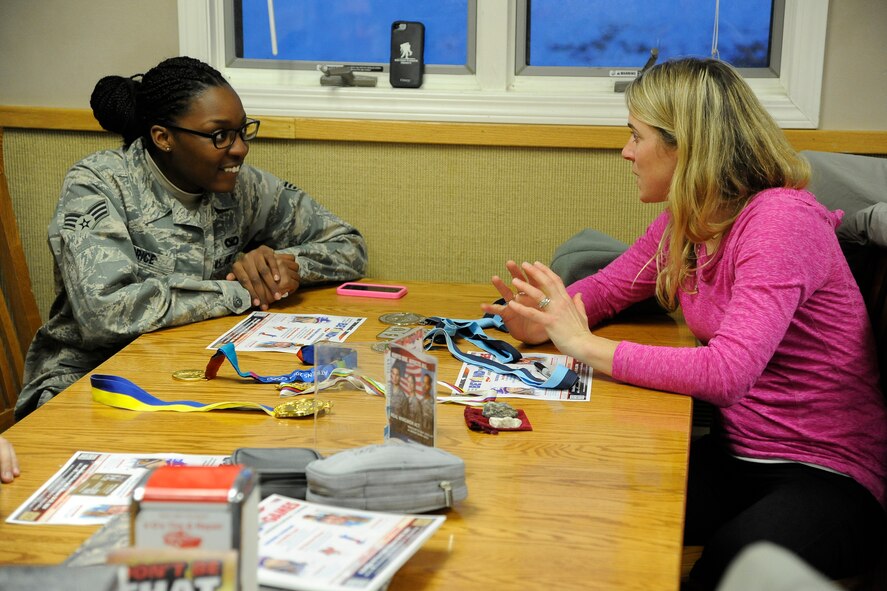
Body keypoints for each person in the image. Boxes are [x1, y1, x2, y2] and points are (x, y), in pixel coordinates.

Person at [482, 57, 887, 590]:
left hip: (829, 473)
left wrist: (577, 342)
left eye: (636, 136)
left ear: (686, 145)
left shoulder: (780, 222)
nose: (626, 151)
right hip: (739, 454)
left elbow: (725, 373)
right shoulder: (689, 219)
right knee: (582, 495)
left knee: (727, 564)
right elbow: (608, 289)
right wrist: (544, 319)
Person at [16, 56, 367, 420]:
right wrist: (241, 289)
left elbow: (348, 246)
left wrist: (280, 268)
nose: (240, 149)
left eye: (243, 131)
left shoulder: (240, 186)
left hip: (187, 371)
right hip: (88, 379)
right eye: (220, 136)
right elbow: (107, 314)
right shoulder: (98, 185)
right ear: (163, 137)